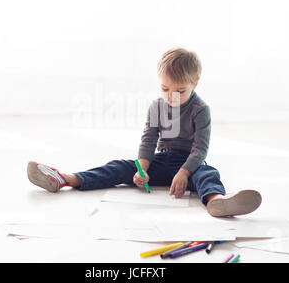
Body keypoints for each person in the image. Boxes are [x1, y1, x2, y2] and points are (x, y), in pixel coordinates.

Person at [27, 47, 262, 217]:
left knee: (208, 174)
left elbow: (200, 149)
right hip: (162, 160)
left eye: (180, 91)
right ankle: (66, 179)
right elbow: (148, 141)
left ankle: (216, 202)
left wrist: (183, 173)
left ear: (195, 84)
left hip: (190, 165)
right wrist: (142, 169)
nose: (171, 95)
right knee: (120, 166)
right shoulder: (156, 107)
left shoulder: (201, 109)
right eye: (164, 88)